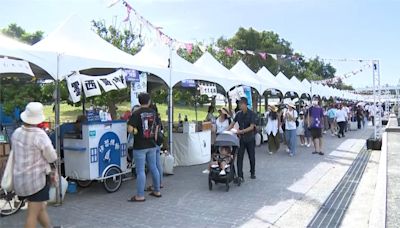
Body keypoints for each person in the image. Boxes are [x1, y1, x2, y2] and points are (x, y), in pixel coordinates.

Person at [12, 102, 58, 228]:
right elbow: (51, 156)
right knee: (32, 214)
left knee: (39, 207)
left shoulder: (16, 133)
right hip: (37, 181)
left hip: (20, 180)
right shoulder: (39, 135)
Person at [128, 93, 161, 202]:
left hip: (140, 146)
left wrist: (135, 130)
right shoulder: (154, 113)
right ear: (149, 101)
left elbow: (129, 129)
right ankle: (157, 190)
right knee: (154, 167)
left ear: (139, 101)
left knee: (141, 171)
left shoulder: (136, 113)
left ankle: (140, 195)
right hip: (152, 145)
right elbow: (157, 127)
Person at [227, 97, 257, 181]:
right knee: (239, 157)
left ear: (244, 104)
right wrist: (226, 131)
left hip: (250, 138)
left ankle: (252, 172)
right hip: (241, 139)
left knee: (251, 156)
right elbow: (232, 124)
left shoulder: (252, 114)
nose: (239, 105)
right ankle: (240, 176)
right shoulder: (238, 114)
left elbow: (251, 127)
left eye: (240, 104)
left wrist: (241, 131)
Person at [146, 103, 164, 191]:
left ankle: (155, 185)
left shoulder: (152, 118)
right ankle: (160, 183)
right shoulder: (158, 117)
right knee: (158, 164)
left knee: (153, 166)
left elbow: (154, 132)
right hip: (159, 143)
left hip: (153, 142)